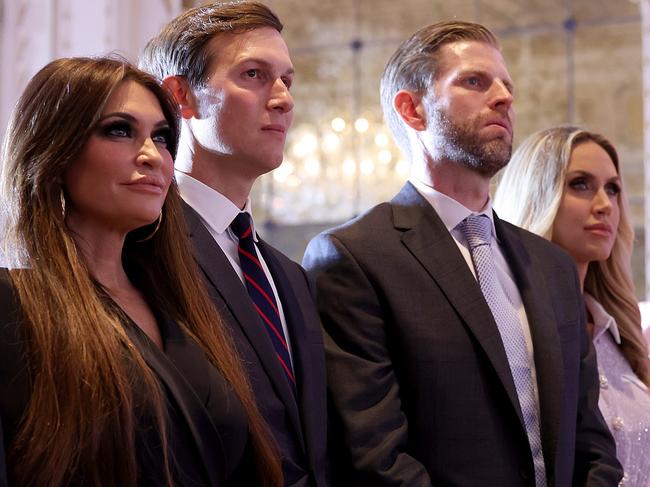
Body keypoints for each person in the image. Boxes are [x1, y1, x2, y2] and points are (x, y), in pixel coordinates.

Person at [303, 20, 623, 486]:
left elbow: (592, 441)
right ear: (412, 110)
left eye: (506, 86)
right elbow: (373, 456)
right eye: (475, 81)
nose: (504, 97)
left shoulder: (550, 265)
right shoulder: (353, 257)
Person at [0, 57, 282, 487]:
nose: (153, 155)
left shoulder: (184, 304)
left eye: (163, 137)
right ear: (54, 151)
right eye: (119, 130)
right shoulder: (12, 305)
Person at [139, 3, 327, 486]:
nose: (283, 98)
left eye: (288, 79)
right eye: (254, 74)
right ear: (180, 96)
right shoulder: (140, 248)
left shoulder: (289, 275)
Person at [494, 126, 650, 486]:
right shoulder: (513, 329)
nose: (605, 205)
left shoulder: (618, 331)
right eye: (581, 184)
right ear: (539, 195)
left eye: (613, 189)